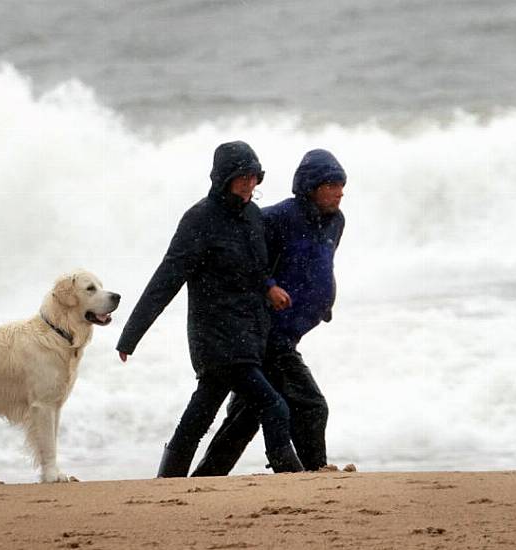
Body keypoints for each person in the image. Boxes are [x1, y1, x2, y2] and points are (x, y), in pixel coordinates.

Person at [116, 141, 304, 477]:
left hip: (247, 336)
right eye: (241, 178)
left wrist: (269, 287)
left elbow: (254, 269)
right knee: (274, 407)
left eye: (254, 178)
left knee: (199, 417)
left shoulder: (251, 215)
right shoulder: (199, 219)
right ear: (223, 178)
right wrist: (131, 335)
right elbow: (166, 279)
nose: (249, 185)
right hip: (216, 337)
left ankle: (168, 481)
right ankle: (289, 479)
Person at [191, 148, 346, 476]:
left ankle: (204, 479)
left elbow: (320, 263)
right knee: (312, 405)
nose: (339, 191)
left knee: (245, 417)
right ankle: (314, 471)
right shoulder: (278, 218)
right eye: (332, 185)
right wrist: (269, 286)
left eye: (341, 185)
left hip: (291, 331)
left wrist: (322, 301)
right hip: (268, 334)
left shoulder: (336, 222)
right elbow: (247, 258)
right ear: (312, 186)